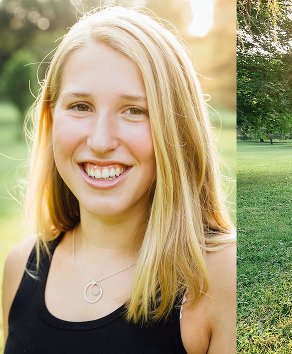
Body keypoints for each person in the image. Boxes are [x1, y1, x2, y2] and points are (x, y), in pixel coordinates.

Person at [1, 6, 235, 353]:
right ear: (51, 119)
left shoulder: (220, 276)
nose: (100, 141)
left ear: (176, 129)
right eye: (81, 106)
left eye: (134, 111)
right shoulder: (21, 267)